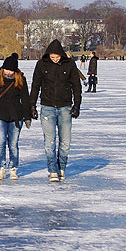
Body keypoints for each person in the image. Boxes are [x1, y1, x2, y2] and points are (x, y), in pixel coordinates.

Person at [30, 39, 82, 182]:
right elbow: (35, 85)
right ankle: (53, 170)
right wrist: (32, 106)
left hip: (65, 107)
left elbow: (76, 86)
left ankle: (62, 168)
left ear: (61, 55)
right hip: (47, 108)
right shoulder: (41, 64)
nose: (54, 59)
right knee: (50, 142)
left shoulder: (70, 64)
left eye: (57, 57)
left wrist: (77, 106)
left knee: (65, 142)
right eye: (52, 57)